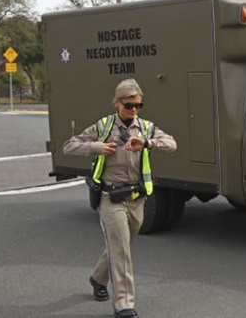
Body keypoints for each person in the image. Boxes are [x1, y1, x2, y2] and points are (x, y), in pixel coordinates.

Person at [63, 78, 176, 318]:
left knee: (122, 246)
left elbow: (172, 144)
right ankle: (124, 305)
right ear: (117, 103)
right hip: (110, 198)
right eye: (128, 105)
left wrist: (148, 143)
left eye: (138, 105)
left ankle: (97, 278)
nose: (133, 110)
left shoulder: (145, 128)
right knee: (122, 250)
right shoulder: (103, 127)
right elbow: (69, 146)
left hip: (137, 198)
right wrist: (96, 147)